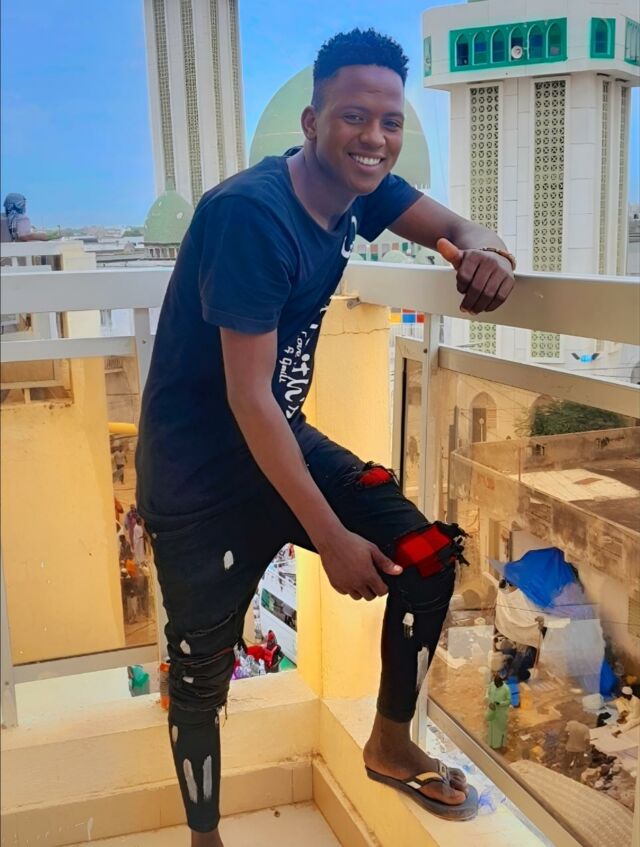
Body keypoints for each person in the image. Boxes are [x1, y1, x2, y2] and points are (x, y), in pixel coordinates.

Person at [136, 29, 516, 845]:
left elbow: (457, 223)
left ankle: (389, 743)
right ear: (312, 122)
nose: (374, 137)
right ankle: (205, 837)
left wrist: (485, 248)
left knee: (427, 556)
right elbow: (249, 398)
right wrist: (331, 536)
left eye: (389, 121)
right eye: (353, 117)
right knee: (200, 673)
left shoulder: (359, 190)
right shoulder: (251, 215)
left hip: (284, 441)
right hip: (200, 478)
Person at [486, 674, 512, 751]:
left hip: (501, 713)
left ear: (501, 682)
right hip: (492, 710)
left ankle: (499, 744)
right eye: (495, 683)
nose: (496, 685)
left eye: (497, 684)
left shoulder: (506, 689)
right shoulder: (492, 685)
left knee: (500, 729)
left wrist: (500, 703)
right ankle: (491, 743)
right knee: (492, 728)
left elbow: (509, 701)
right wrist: (488, 701)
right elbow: (488, 693)